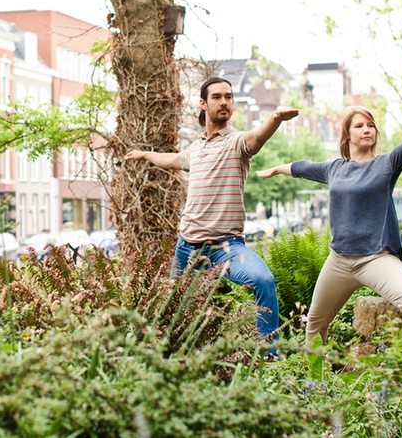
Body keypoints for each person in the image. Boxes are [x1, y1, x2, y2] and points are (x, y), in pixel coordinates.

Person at [256, 105, 402, 353]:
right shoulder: (335, 169)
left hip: (376, 259)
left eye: (370, 125)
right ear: (347, 134)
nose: (367, 130)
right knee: (315, 325)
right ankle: (317, 384)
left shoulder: (386, 164)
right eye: (359, 126)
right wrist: (277, 168)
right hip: (339, 261)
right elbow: (303, 167)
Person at [124, 77, 299, 346]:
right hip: (186, 248)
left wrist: (275, 119)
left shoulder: (237, 143)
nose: (225, 102)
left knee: (263, 280)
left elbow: (256, 137)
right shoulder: (196, 148)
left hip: (226, 249)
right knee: (173, 314)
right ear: (204, 103)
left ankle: (268, 356)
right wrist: (145, 155)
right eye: (217, 97)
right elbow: (170, 160)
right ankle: (173, 362)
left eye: (229, 97)